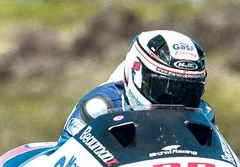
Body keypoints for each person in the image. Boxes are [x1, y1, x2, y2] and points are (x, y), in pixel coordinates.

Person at [58, 30, 213, 145]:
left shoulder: (204, 113)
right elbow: (64, 163)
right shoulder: (99, 108)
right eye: (164, 90)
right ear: (136, 73)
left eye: (188, 92)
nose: (176, 102)